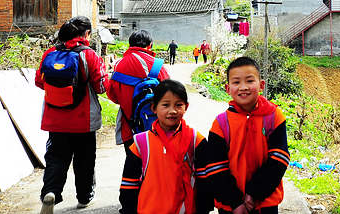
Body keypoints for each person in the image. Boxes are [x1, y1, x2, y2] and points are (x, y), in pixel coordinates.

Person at [36, 16, 108, 214]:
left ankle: (50, 193)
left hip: (55, 120)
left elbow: (39, 81)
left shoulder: (49, 53)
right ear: (86, 34)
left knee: (56, 158)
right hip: (83, 120)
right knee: (84, 160)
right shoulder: (90, 55)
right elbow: (101, 86)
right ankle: (85, 197)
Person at [206, 57, 289, 214]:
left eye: (250, 81)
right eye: (236, 82)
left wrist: (254, 193)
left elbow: (280, 158)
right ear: (227, 88)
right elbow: (215, 167)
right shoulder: (221, 123)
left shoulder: (273, 116)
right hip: (229, 205)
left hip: (266, 202)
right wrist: (235, 202)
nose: (243, 87)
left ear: (261, 85)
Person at [119, 80, 212, 214]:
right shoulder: (141, 143)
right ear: (154, 108)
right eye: (165, 105)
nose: (172, 111)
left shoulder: (196, 140)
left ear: (186, 107)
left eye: (178, 105)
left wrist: (203, 209)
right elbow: (129, 183)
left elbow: (204, 182)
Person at [107, 30, 170, 150]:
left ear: (129, 45)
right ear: (150, 45)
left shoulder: (119, 65)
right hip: (156, 127)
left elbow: (112, 95)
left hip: (130, 127)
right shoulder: (157, 66)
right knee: (154, 163)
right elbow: (170, 95)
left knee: (132, 163)